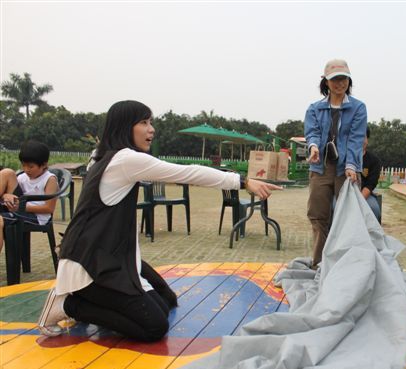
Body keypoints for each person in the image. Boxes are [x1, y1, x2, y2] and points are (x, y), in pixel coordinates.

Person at [37, 100, 281, 341]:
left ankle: (87, 299)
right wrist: (243, 181)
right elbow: (188, 172)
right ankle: (67, 305)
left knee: (166, 301)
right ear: (124, 127)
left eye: (151, 122)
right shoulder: (126, 160)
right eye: (143, 123)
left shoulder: (103, 156)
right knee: (154, 326)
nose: (151, 129)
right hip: (89, 263)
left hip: (108, 254)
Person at [305, 59, 367, 268]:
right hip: (320, 167)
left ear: (349, 80)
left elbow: (356, 139)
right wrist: (314, 147)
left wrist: (351, 166)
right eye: (335, 79)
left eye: (344, 79)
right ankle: (319, 263)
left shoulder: (358, 108)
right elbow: (312, 132)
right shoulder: (315, 109)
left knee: (348, 217)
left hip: (346, 169)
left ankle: (345, 265)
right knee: (318, 215)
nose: (340, 83)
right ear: (326, 82)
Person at [0, 141, 59, 252]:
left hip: (36, 217)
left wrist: (21, 207)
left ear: (44, 165)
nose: (26, 169)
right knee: (7, 172)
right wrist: (6, 195)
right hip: (19, 209)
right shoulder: (22, 177)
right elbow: (10, 194)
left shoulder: (50, 179)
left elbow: (49, 208)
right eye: (24, 165)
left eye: (31, 166)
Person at [361, 127, 382, 223]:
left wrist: (359, 201)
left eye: (363, 137)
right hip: (345, 194)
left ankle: (372, 232)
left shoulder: (374, 161)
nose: (360, 140)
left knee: (374, 208)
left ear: (367, 139)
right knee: (333, 206)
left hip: (365, 195)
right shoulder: (344, 157)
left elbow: (371, 184)